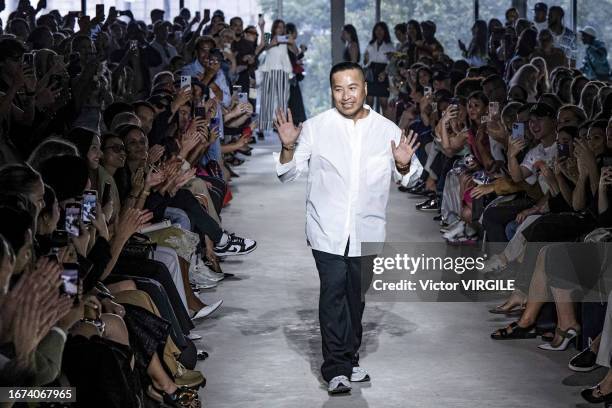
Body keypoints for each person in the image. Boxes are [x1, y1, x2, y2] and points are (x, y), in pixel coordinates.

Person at [272, 61, 423, 394]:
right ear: (331, 91)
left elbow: (413, 177)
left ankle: (350, 357)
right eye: (338, 88)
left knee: (356, 297)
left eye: (352, 87)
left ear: (365, 88)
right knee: (333, 292)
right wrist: (287, 146)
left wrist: (403, 163)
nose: (345, 95)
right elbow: (287, 173)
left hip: (368, 232)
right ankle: (336, 368)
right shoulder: (315, 127)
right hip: (326, 229)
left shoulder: (387, 130)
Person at [258, 19, 293, 133]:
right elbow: (265, 46)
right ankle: (263, 127)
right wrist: (263, 29)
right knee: (266, 98)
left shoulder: (286, 38)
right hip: (269, 69)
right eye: (278, 27)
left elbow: (295, 49)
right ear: (274, 27)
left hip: (282, 70)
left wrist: (290, 41)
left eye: (282, 27)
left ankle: (281, 125)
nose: (280, 29)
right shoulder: (269, 35)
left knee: (282, 99)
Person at [364, 22, 394, 117]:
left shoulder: (389, 45)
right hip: (371, 72)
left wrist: (385, 73)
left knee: (384, 103)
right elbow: (365, 62)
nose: (379, 32)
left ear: (385, 31)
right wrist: (366, 59)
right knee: (369, 103)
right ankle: (369, 126)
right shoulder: (370, 44)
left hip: (383, 72)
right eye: (377, 30)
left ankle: (385, 127)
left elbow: (392, 63)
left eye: (381, 29)